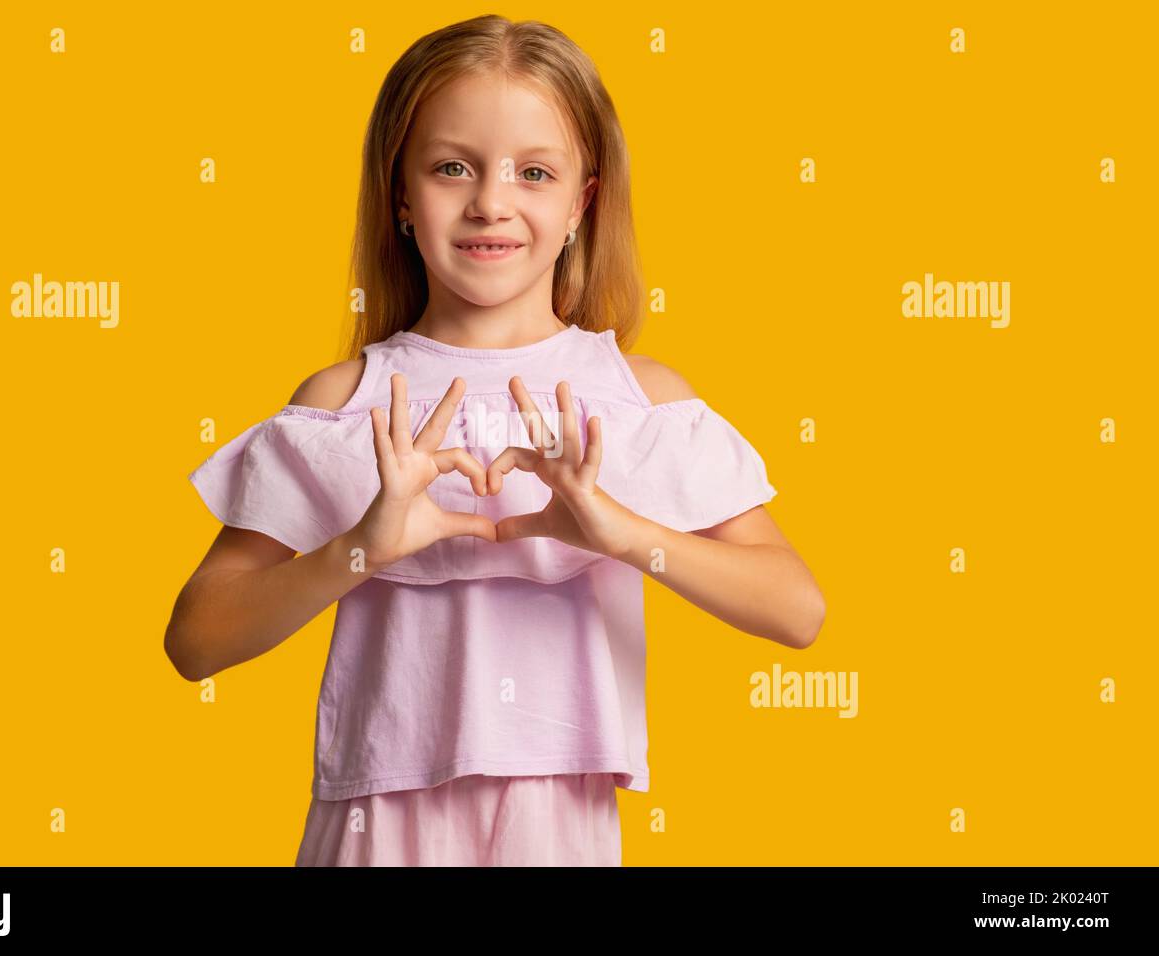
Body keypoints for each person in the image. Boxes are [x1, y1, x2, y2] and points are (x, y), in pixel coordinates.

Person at [165, 14, 825, 866]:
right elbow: (196, 641)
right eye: (451, 167)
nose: (490, 201)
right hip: (376, 821)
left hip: (561, 819)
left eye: (535, 172)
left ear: (583, 199)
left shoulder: (640, 400)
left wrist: (625, 534)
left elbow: (797, 609)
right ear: (400, 194)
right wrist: (358, 551)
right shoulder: (347, 402)